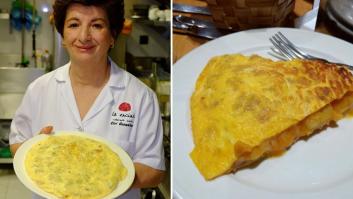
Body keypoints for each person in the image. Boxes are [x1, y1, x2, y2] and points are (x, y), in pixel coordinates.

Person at [9, 0, 165, 198]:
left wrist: (104, 178)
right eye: (74, 24)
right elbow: (17, 142)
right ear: (63, 35)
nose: (84, 36)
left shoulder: (141, 97)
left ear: (113, 36)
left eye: (97, 25)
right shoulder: (38, 89)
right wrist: (37, 149)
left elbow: (154, 169)